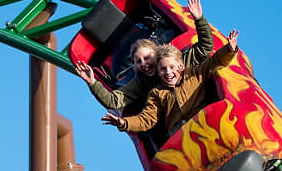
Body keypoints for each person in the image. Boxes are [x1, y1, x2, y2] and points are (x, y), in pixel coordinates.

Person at [75, 0, 214, 112]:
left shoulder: (175, 62)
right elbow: (114, 101)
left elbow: (206, 46)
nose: (143, 64)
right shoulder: (141, 82)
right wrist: (92, 82)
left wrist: (199, 19)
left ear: (156, 54)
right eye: (138, 61)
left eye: (147, 58)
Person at [101, 30, 240, 136]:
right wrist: (124, 123)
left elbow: (214, 60)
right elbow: (146, 119)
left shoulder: (192, 74)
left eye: (171, 67)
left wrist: (230, 49)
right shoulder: (156, 93)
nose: (168, 72)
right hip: (180, 131)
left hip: (203, 117)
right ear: (158, 71)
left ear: (180, 65)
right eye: (163, 69)